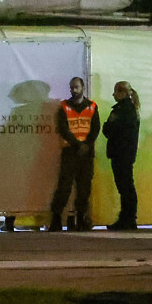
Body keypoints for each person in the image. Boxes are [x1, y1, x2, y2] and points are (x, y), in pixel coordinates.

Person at [49, 76, 100, 231]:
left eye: (76, 87)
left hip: (86, 154)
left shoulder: (92, 106)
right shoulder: (64, 107)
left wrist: (86, 145)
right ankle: (56, 219)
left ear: (83, 87)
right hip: (70, 152)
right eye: (72, 87)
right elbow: (63, 129)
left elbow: (95, 128)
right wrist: (79, 144)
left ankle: (82, 219)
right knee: (64, 188)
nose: (73, 90)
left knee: (84, 189)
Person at [104, 81, 141, 230]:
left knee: (125, 187)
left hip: (120, 153)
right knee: (126, 187)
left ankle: (127, 218)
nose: (114, 95)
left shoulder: (122, 110)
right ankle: (128, 217)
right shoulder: (130, 110)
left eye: (116, 92)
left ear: (123, 93)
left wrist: (109, 126)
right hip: (125, 153)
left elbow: (109, 129)